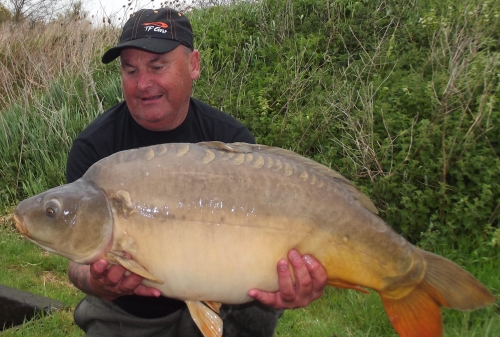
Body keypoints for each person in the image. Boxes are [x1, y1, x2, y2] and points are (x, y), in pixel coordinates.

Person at [66, 8, 328, 337]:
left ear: (194, 65)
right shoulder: (95, 149)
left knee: (258, 310)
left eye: (157, 67)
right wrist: (96, 281)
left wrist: (292, 280)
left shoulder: (232, 142)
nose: (143, 83)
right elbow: (76, 263)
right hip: (129, 312)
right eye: (130, 70)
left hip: (226, 300)